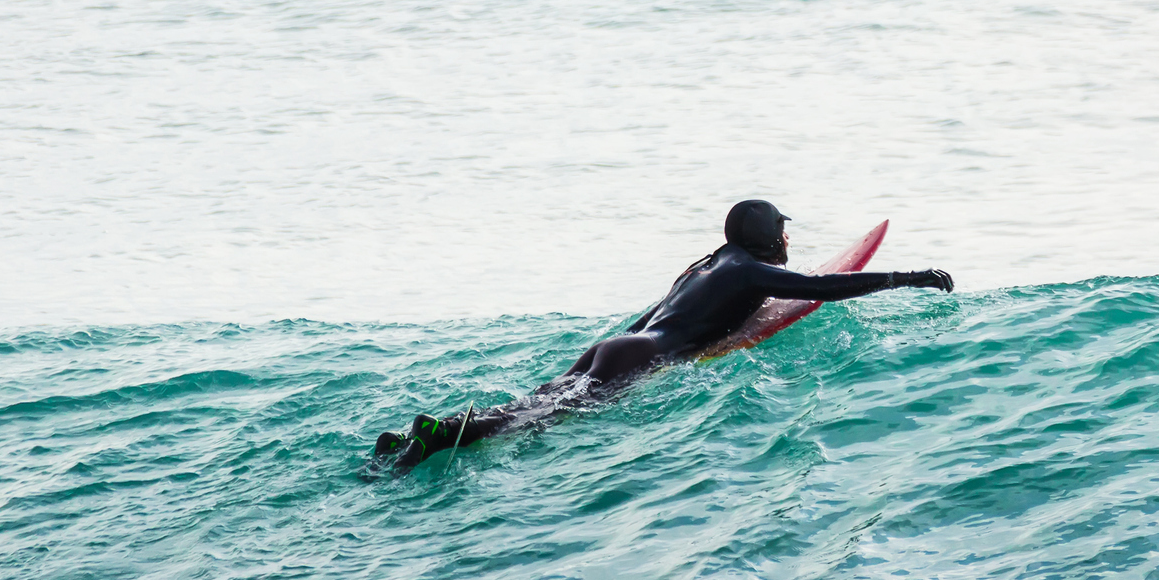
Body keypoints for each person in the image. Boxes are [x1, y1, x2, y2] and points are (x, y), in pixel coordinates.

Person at [371, 200, 952, 472]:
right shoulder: (750, 269)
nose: (785, 240)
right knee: (540, 418)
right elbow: (820, 286)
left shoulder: (706, 264)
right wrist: (908, 278)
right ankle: (445, 431)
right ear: (763, 237)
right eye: (780, 230)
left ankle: (417, 437)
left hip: (616, 346)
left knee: (538, 402)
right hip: (641, 357)